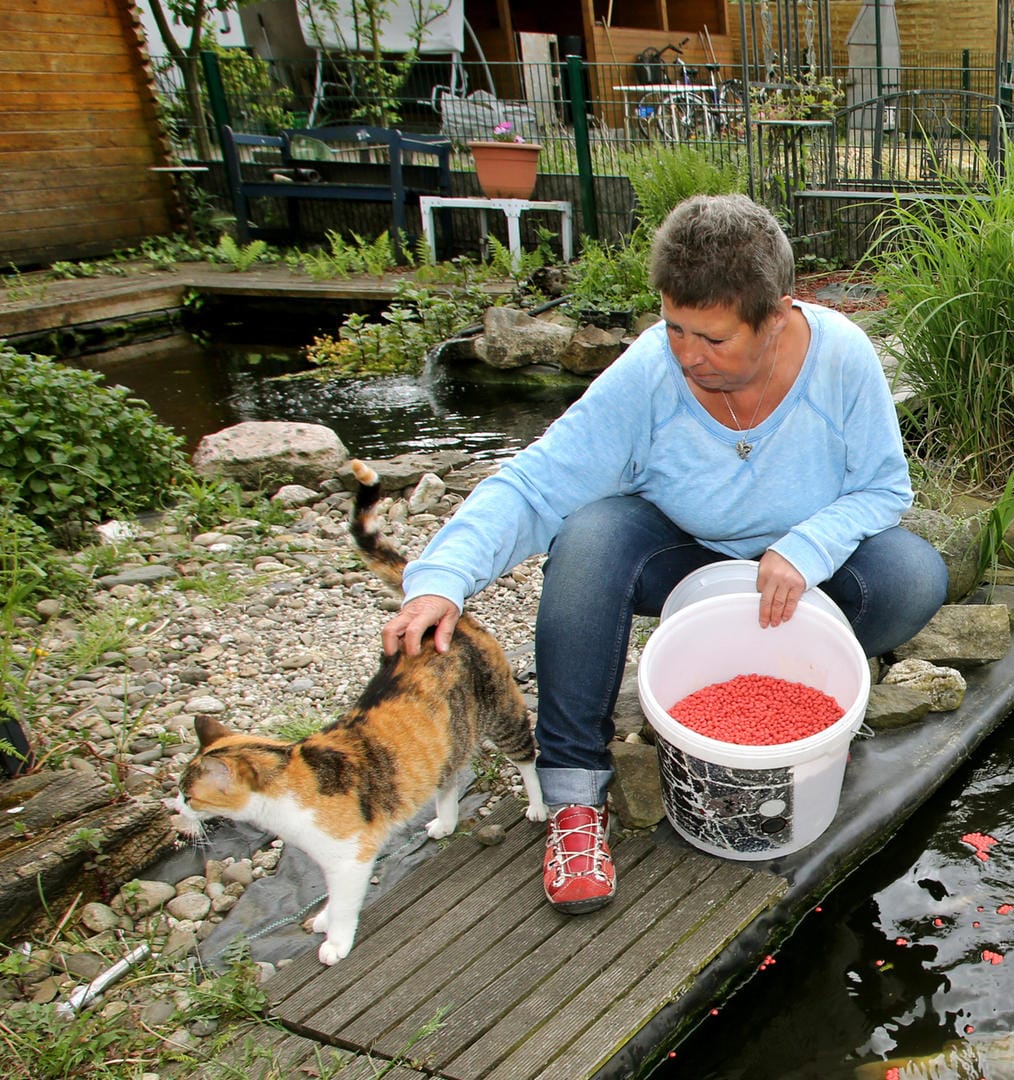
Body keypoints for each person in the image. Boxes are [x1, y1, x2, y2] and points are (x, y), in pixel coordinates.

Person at [382, 193, 949, 913]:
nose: (687, 354)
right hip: (685, 556)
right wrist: (441, 579)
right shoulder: (651, 372)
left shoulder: (840, 359)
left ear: (774, 317)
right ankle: (574, 801)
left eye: (712, 339)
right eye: (674, 327)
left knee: (914, 574)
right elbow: (537, 482)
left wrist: (807, 547)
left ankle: (809, 678)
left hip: (803, 577)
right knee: (589, 533)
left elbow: (881, 488)